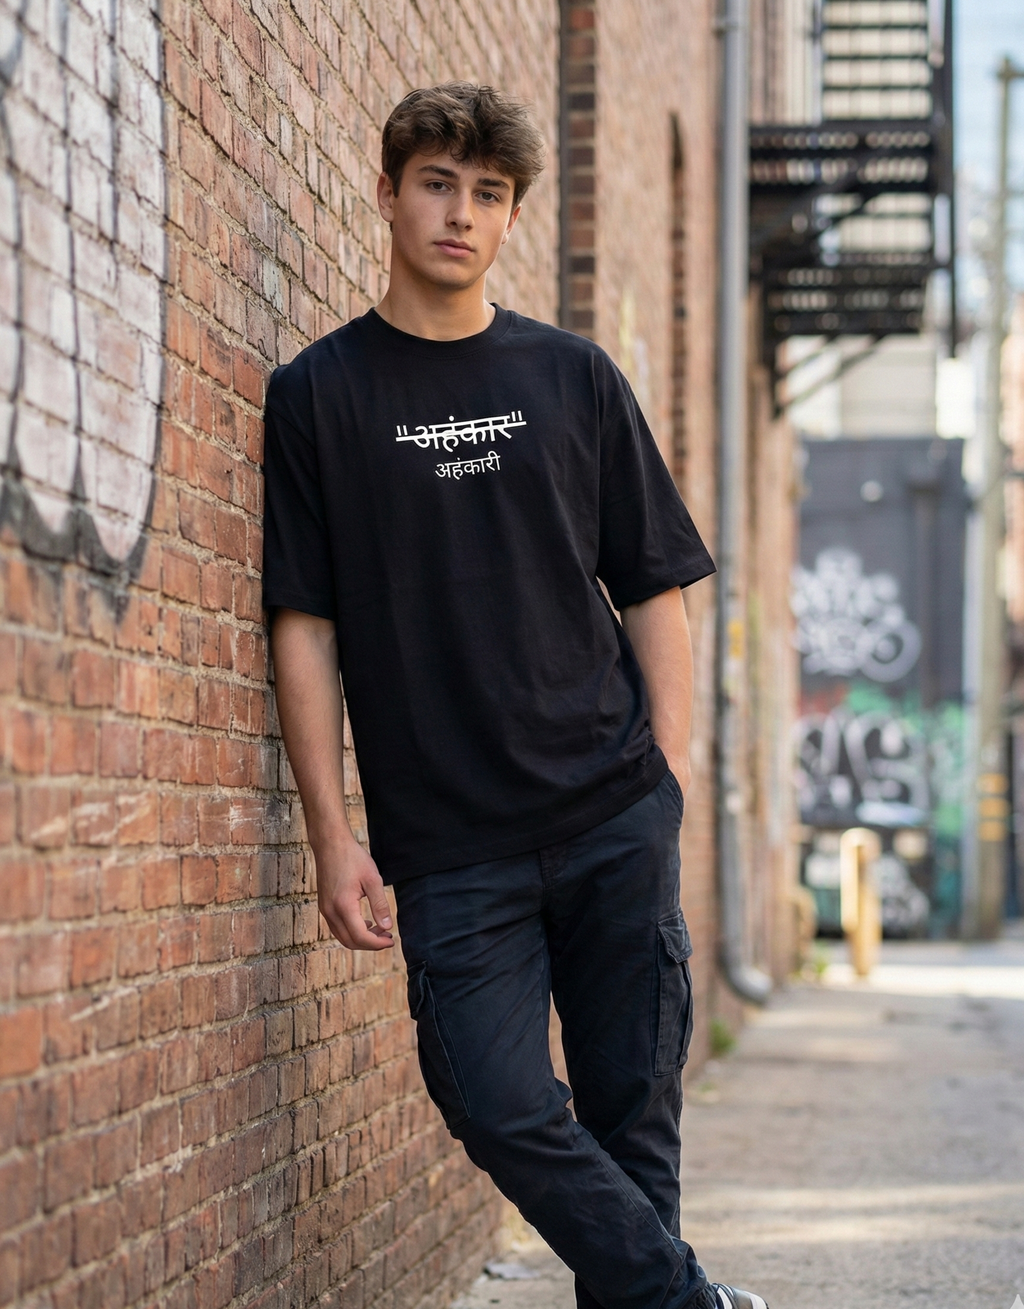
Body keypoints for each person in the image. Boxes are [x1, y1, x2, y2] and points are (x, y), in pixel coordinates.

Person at [262, 81, 768, 1309]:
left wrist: (670, 774)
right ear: (387, 194)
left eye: (488, 195)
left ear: (513, 216)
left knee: (632, 1120)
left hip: (609, 810)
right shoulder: (319, 396)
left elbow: (654, 585)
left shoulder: (572, 376)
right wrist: (334, 837)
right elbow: (304, 626)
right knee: (494, 1101)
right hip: (450, 846)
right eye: (437, 184)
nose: (460, 214)